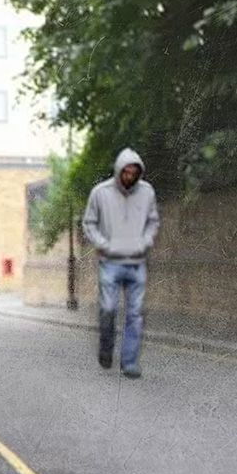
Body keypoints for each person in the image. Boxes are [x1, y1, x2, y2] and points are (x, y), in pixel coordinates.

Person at [82, 148, 160, 379]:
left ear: (138, 173)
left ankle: (129, 363)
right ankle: (106, 349)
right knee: (108, 309)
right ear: (118, 170)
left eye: (133, 173)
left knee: (135, 315)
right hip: (110, 262)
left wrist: (145, 242)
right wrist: (103, 244)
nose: (128, 176)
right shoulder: (100, 192)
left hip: (137, 263)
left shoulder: (147, 192)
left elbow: (153, 221)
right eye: (125, 172)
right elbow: (89, 223)